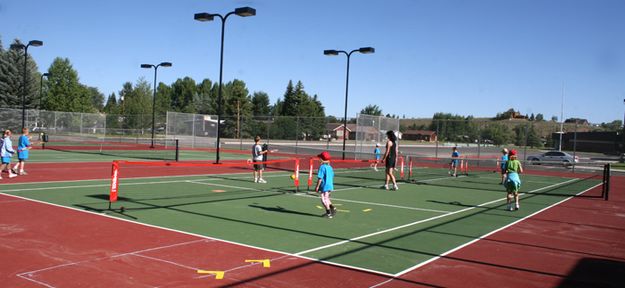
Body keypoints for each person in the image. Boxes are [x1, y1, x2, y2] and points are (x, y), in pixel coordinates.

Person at [315, 151, 336, 218]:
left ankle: (328, 213)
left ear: (321, 159)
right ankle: (333, 208)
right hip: (330, 185)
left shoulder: (322, 167)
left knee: (323, 200)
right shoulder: (330, 167)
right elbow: (332, 175)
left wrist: (317, 186)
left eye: (320, 158)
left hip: (324, 185)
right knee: (326, 198)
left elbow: (320, 178)